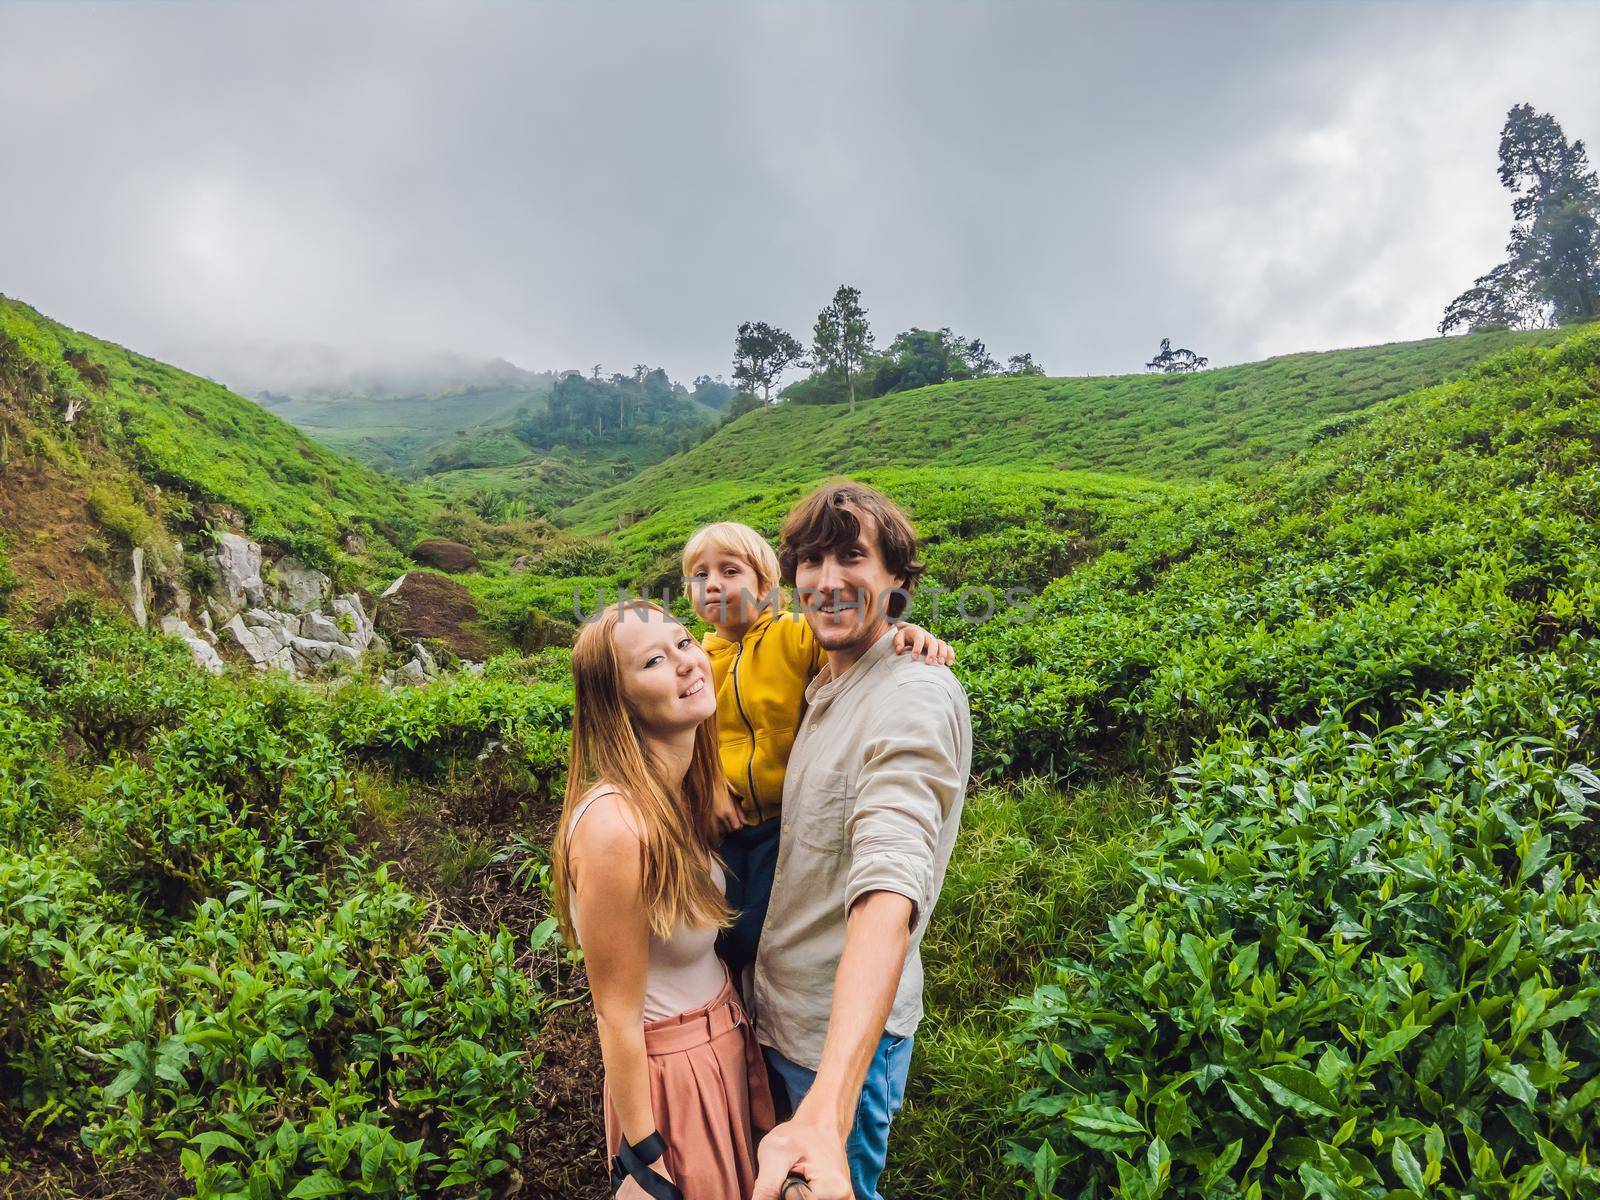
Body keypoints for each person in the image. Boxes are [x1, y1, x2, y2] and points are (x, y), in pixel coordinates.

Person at [750, 481, 972, 1200]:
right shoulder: (825, 682)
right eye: (811, 561)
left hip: (833, 1042)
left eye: (852, 557)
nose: (826, 580)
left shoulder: (911, 695)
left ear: (898, 580)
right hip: (780, 1016)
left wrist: (829, 1110)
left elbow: (890, 880)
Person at [551, 600, 774, 1200]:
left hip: (724, 1045)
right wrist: (644, 1158)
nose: (684, 663)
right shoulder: (614, 825)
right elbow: (615, 1013)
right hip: (672, 1079)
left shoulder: (682, 796)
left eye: (682, 643)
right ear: (616, 703)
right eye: (654, 660)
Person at [680, 521, 954, 987]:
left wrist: (908, 632)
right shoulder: (698, 659)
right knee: (711, 928)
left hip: (781, 825)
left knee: (753, 933)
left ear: (765, 586)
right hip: (726, 825)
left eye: (729, 571)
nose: (713, 585)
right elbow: (689, 735)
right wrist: (708, 785)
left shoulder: (794, 634)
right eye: (699, 575)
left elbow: (857, 637)